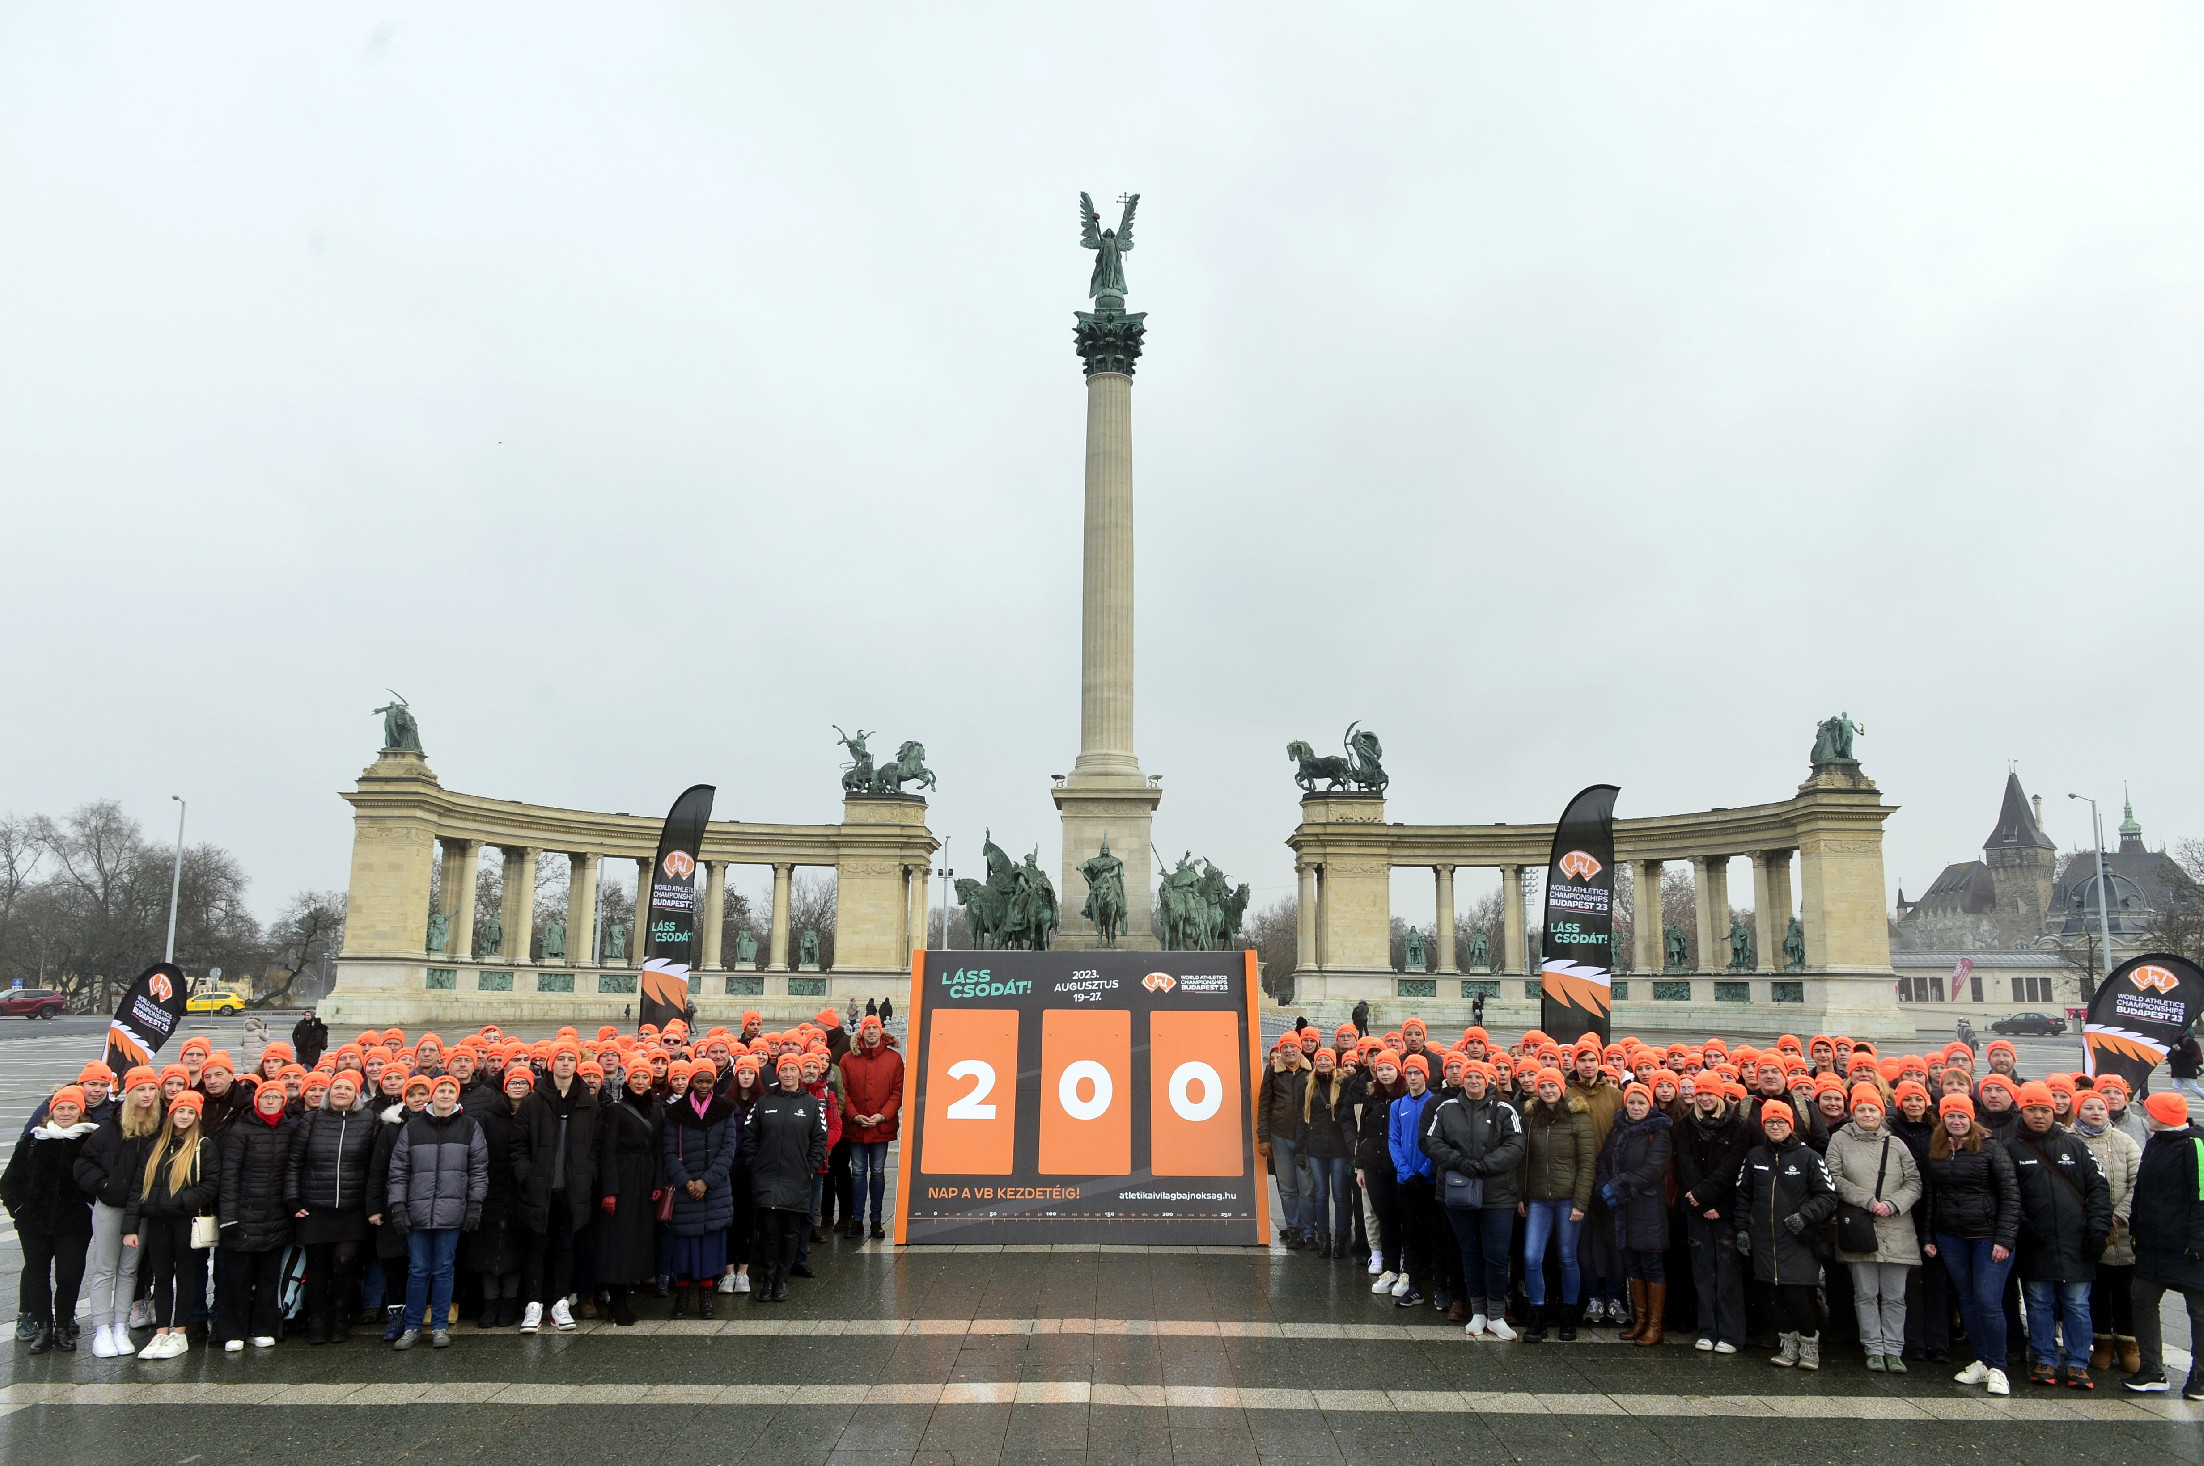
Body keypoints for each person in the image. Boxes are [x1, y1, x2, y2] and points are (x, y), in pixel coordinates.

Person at [2006, 1079, 2112, 1387]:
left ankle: (2078, 1361)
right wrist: (2023, 1227)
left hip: (2076, 1241)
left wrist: (2097, 1231)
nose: (2039, 1116)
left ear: (2054, 1112)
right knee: (2038, 1304)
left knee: (2077, 1305)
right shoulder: (2011, 1149)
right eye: (2031, 1109)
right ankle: (2044, 1358)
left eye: (2045, 1109)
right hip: (2035, 1243)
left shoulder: (2075, 1145)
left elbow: (2098, 1190)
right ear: (2021, 1112)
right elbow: (2007, 1195)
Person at [1922, 1091, 2021, 1396]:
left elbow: (2010, 1195)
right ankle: (1982, 1359)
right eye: (1950, 1115)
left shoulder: (1992, 1149)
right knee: (1966, 1300)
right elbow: (1930, 1197)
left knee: (1988, 1301)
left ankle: (1998, 1366)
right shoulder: (1938, 1148)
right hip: (1951, 1236)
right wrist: (1928, 1236)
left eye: (1961, 1116)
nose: (1955, 1121)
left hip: (1988, 1237)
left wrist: (2004, 1238)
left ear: (1971, 1118)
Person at [1420, 1059, 1522, 1338]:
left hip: (1497, 1195)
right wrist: (1459, 1162)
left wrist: (1484, 1166)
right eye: (1469, 1076)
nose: (1474, 1081)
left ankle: (1497, 1315)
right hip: (1459, 1191)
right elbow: (1432, 1141)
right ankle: (1477, 1311)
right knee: (1470, 1253)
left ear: (1488, 1080)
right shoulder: (1446, 1108)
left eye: (1479, 1076)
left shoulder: (1505, 1109)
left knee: (1497, 1256)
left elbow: (1516, 1145)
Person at [385, 1073, 488, 1350]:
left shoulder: (470, 1127)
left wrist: (474, 1204)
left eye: (450, 1090)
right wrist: (397, 1205)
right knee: (418, 1269)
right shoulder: (413, 1128)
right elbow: (399, 1171)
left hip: (451, 1211)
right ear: (432, 1094)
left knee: (443, 1269)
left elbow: (478, 1170)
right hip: (417, 1210)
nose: (445, 1094)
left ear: (457, 1095)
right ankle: (413, 1326)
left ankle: (440, 1325)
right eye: (440, 1089)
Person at [1733, 1101, 1837, 1369]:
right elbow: (1743, 1195)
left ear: (1791, 1125)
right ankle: (1788, 1345)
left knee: (1798, 1296)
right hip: (1765, 1240)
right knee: (1773, 1296)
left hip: (1797, 1240)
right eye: (1770, 1122)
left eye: (1780, 1122)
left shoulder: (1809, 1157)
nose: (1775, 1127)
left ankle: (1810, 1346)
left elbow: (1827, 1196)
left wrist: (1804, 1216)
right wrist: (1742, 1228)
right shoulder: (1755, 1156)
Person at [1826, 1086, 1922, 1372]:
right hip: (1859, 1226)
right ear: (1852, 1113)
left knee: (1895, 1295)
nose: (1867, 1114)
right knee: (1865, 1293)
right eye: (1861, 1109)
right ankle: (1873, 1348)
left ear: (1882, 1112)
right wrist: (1867, 1201)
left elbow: (1914, 1182)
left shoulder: (1896, 1144)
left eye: (1873, 1109)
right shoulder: (1839, 1141)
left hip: (1896, 1227)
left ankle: (1894, 1349)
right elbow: (1834, 1177)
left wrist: (1893, 1204)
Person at [2, 1085, 98, 1353]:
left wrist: (88, 1206)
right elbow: (10, 1181)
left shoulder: (90, 1141)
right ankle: (43, 1327)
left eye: (71, 1108)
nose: (65, 1113)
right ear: (51, 1110)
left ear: (81, 1112)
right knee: (37, 1275)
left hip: (74, 1224)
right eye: (60, 1107)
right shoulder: (35, 1139)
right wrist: (19, 1210)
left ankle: (64, 1326)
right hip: (34, 1223)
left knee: (68, 1276)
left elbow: (99, 1179)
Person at [2121, 1090, 2204, 1398]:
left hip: (2187, 1248)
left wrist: (2198, 1241)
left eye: (2149, 1111)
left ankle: (2201, 1376)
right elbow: (2143, 1189)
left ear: (2162, 1117)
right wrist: (2136, 1229)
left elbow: (2202, 1194)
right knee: (2142, 1300)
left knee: (2199, 1311)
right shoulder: (2157, 1142)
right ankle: (2152, 1369)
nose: (2145, 1116)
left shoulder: (2194, 1144)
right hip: (2153, 1246)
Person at [284, 1070, 378, 1345]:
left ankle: (340, 1320)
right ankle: (317, 1321)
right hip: (316, 1207)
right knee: (317, 1267)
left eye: (348, 1089)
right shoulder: (312, 1120)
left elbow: (374, 1165)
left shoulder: (368, 1120)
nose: (342, 1092)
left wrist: (371, 1204)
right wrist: (293, 1200)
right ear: (328, 1092)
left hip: (351, 1207)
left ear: (356, 1095)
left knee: (345, 1264)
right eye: (337, 1087)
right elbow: (294, 1163)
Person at [76, 1065, 163, 1357]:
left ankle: (120, 1327)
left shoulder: (160, 1124)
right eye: (141, 1089)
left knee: (129, 1270)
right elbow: (83, 1164)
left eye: (152, 1088)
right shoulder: (112, 1127)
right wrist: (104, 1186)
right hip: (111, 1207)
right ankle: (101, 1330)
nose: (147, 1094)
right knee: (104, 1269)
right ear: (130, 1092)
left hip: (139, 1210)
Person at [512, 1040, 599, 1333]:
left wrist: (588, 1176)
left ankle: (560, 1303)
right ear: (551, 1064)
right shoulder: (534, 1102)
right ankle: (533, 1304)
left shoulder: (588, 1102)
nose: (565, 1064)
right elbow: (518, 1145)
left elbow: (595, 1146)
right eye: (560, 1058)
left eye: (570, 1059)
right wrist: (527, 1175)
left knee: (565, 1246)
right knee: (535, 1246)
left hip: (572, 1190)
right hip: (540, 1188)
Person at [125, 1091, 216, 1361]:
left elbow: (211, 1184)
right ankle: (161, 1331)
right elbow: (137, 1187)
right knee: (162, 1278)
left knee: (186, 1277)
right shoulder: (155, 1147)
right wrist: (130, 1227)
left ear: (196, 1116)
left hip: (185, 1221)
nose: (184, 1116)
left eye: (190, 1112)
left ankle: (179, 1332)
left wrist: (181, 1201)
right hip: (158, 1223)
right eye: (180, 1111)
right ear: (171, 1114)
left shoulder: (203, 1146)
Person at [218, 1072, 298, 1351]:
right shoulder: (240, 1130)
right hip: (243, 1213)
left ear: (283, 1101)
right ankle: (232, 1331)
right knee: (236, 1278)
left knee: (268, 1278)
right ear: (256, 1099)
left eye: (276, 1096)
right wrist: (228, 1217)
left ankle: (262, 1327)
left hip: (275, 1216)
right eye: (265, 1096)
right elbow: (229, 1177)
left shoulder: (291, 1128)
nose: (270, 1101)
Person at [1516, 1067, 1595, 1341]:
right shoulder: (1530, 1118)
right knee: (1531, 1256)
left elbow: (1587, 1164)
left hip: (1568, 1200)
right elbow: (1523, 1162)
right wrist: (1522, 1196)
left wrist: (1580, 1202)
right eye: (1543, 1086)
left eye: (1552, 1085)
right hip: (1538, 1199)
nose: (1548, 1090)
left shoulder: (1579, 1117)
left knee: (1567, 1256)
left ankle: (1568, 1313)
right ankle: (1537, 1315)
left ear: (1562, 1088)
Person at [1593, 1082, 1673, 1346]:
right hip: (1622, 1208)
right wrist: (1604, 1182)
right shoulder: (1617, 1129)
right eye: (1632, 1102)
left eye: (1641, 1103)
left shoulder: (1658, 1132)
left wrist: (1618, 1186)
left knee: (1651, 1264)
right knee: (1632, 1263)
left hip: (1647, 1206)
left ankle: (1654, 1325)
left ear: (1649, 1105)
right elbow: (1604, 1159)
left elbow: (1654, 1168)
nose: (1636, 1107)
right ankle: (1639, 1321)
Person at [746, 1053, 829, 1303]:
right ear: (778, 1073)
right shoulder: (764, 1103)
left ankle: (782, 1280)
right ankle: (768, 1278)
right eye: (784, 1070)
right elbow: (750, 1137)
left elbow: (820, 1140)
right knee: (769, 1232)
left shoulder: (812, 1105)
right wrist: (754, 1165)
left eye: (793, 1070)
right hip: (767, 1178)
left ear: (800, 1074)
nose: (788, 1074)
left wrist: (810, 1168)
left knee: (791, 1232)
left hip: (797, 1177)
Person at [1675, 1079, 1750, 1353]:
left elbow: (1732, 1167)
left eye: (1710, 1093)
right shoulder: (1685, 1125)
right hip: (1697, 1207)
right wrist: (1701, 1201)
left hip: (1725, 1207)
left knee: (1728, 1273)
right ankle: (1707, 1330)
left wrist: (1707, 1196)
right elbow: (1685, 1163)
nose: (1705, 1098)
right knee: (1703, 1273)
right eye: (1701, 1093)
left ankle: (1731, 1334)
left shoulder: (1737, 1127)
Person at [2072, 1089, 2142, 1376]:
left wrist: (2119, 1215)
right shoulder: (2069, 1141)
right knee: (2097, 1294)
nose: (2096, 1112)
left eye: (2100, 1107)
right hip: (2088, 1231)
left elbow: (2139, 1181)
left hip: (2122, 1233)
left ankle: (2128, 1346)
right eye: (2088, 1108)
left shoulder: (2124, 1141)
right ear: (2078, 1111)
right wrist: (2094, 1222)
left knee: (2127, 1293)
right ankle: (2102, 1345)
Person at [662, 1060, 740, 1318]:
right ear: (691, 1081)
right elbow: (669, 1152)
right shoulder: (676, 1112)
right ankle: (682, 1298)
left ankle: (706, 1298)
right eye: (699, 1081)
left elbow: (728, 1149)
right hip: (686, 1188)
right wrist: (687, 1181)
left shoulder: (725, 1109)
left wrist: (707, 1181)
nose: (704, 1086)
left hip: (714, 1189)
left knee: (709, 1246)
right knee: (684, 1247)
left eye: (708, 1081)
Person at [466, 1066, 535, 1327]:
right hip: (493, 1190)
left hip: (521, 1191)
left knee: (515, 1250)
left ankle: (509, 1302)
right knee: (489, 1250)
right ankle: (490, 1303)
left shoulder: (535, 1115)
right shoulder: (488, 1117)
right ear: (504, 1086)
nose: (517, 1086)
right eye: (512, 1082)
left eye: (523, 1082)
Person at [597, 1062, 664, 1324]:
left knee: (638, 1239)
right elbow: (609, 1151)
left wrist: (658, 1182)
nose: (639, 1081)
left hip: (646, 1176)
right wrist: (610, 1190)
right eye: (635, 1076)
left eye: (644, 1077)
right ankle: (617, 1301)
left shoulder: (656, 1109)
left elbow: (659, 1147)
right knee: (619, 1240)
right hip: (624, 1176)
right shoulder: (615, 1109)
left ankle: (627, 1295)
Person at [838, 1015, 904, 1240]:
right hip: (856, 1126)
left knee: (877, 1172)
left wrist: (882, 1116)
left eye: (875, 1028)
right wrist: (854, 1115)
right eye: (868, 1028)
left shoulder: (894, 1059)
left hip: (880, 1126)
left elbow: (898, 1091)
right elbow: (843, 1091)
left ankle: (876, 1220)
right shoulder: (848, 1059)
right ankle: (857, 1220)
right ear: (862, 1033)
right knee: (857, 1172)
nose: (872, 1032)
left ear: (881, 1032)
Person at [1387, 1052, 1442, 1311]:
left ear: (1425, 1075)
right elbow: (1394, 1141)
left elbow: (1437, 1142)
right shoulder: (1397, 1105)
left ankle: (1440, 1288)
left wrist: (1423, 1171)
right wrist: (1406, 1172)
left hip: (1428, 1181)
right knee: (1409, 1234)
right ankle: (1415, 1287)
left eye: (1417, 1072)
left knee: (1434, 1235)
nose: (1413, 1077)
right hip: (1406, 1181)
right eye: (1409, 1073)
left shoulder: (1437, 1103)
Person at [1352, 1051, 1408, 1290]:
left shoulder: (1405, 1097)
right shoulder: (1371, 1097)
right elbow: (1362, 1132)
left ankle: (1406, 1266)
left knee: (1403, 1218)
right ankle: (1391, 1267)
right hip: (1374, 1167)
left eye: (1389, 1069)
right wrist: (1360, 1166)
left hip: (1398, 1168)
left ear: (1398, 1071)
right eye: (1381, 1069)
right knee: (1385, 1219)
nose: (1384, 1073)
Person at [1299, 1047, 1359, 1262]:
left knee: (1341, 1195)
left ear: (1334, 1062)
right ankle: (1324, 1237)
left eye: (1327, 1059)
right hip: (1316, 1148)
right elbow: (1302, 1119)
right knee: (1321, 1195)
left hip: (1339, 1149)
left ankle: (1341, 1238)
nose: (1323, 1062)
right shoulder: (1309, 1084)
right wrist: (1300, 1147)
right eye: (1320, 1059)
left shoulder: (1344, 1083)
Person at [1256, 1038, 1311, 1249]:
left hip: (1304, 1137)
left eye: (1292, 1047)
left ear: (1300, 1050)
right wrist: (1264, 1138)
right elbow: (1264, 1106)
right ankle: (1293, 1229)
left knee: (1306, 1188)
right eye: (1284, 1047)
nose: (1289, 1050)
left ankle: (1308, 1231)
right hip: (1279, 1136)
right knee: (1287, 1188)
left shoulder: (1310, 1071)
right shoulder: (1272, 1072)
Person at [2171, 1022, 2204, 1105]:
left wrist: (2180, 1050)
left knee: (2194, 1087)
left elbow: (2192, 1053)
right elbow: (2174, 1054)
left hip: (2187, 1068)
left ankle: (2177, 1104)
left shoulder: (2188, 1041)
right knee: (2176, 1088)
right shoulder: (2176, 1040)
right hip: (2178, 1068)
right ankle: (2177, 1105)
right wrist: (2169, 1059)